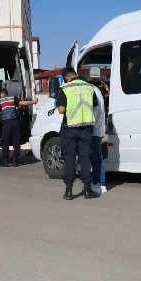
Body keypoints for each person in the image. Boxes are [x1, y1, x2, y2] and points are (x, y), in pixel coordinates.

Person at [56, 67, 100, 200]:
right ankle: (87, 189)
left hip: (70, 128)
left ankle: (69, 191)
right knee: (85, 157)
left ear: (67, 78)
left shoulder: (65, 88)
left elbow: (61, 110)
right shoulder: (90, 87)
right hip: (86, 128)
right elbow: (95, 107)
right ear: (76, 74)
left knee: (69, 158)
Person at [0, 87, 37, 167]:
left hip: (6, 123)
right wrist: (33, 102)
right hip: (14, 123)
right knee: (16, 142)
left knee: (5, 142)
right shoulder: (13, 98)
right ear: (7, 94)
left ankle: (5, 161)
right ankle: (15, 161)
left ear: (1, 95)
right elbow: (23, 103)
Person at [90, 82, 108, 194]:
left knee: (97, 158)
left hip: (94, 130)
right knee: (97, 157)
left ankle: (99, 183)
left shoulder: (92, 91)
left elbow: (95, 110)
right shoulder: (96, 90)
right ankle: (99, 182)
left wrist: (90, 126)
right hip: (97, 129)